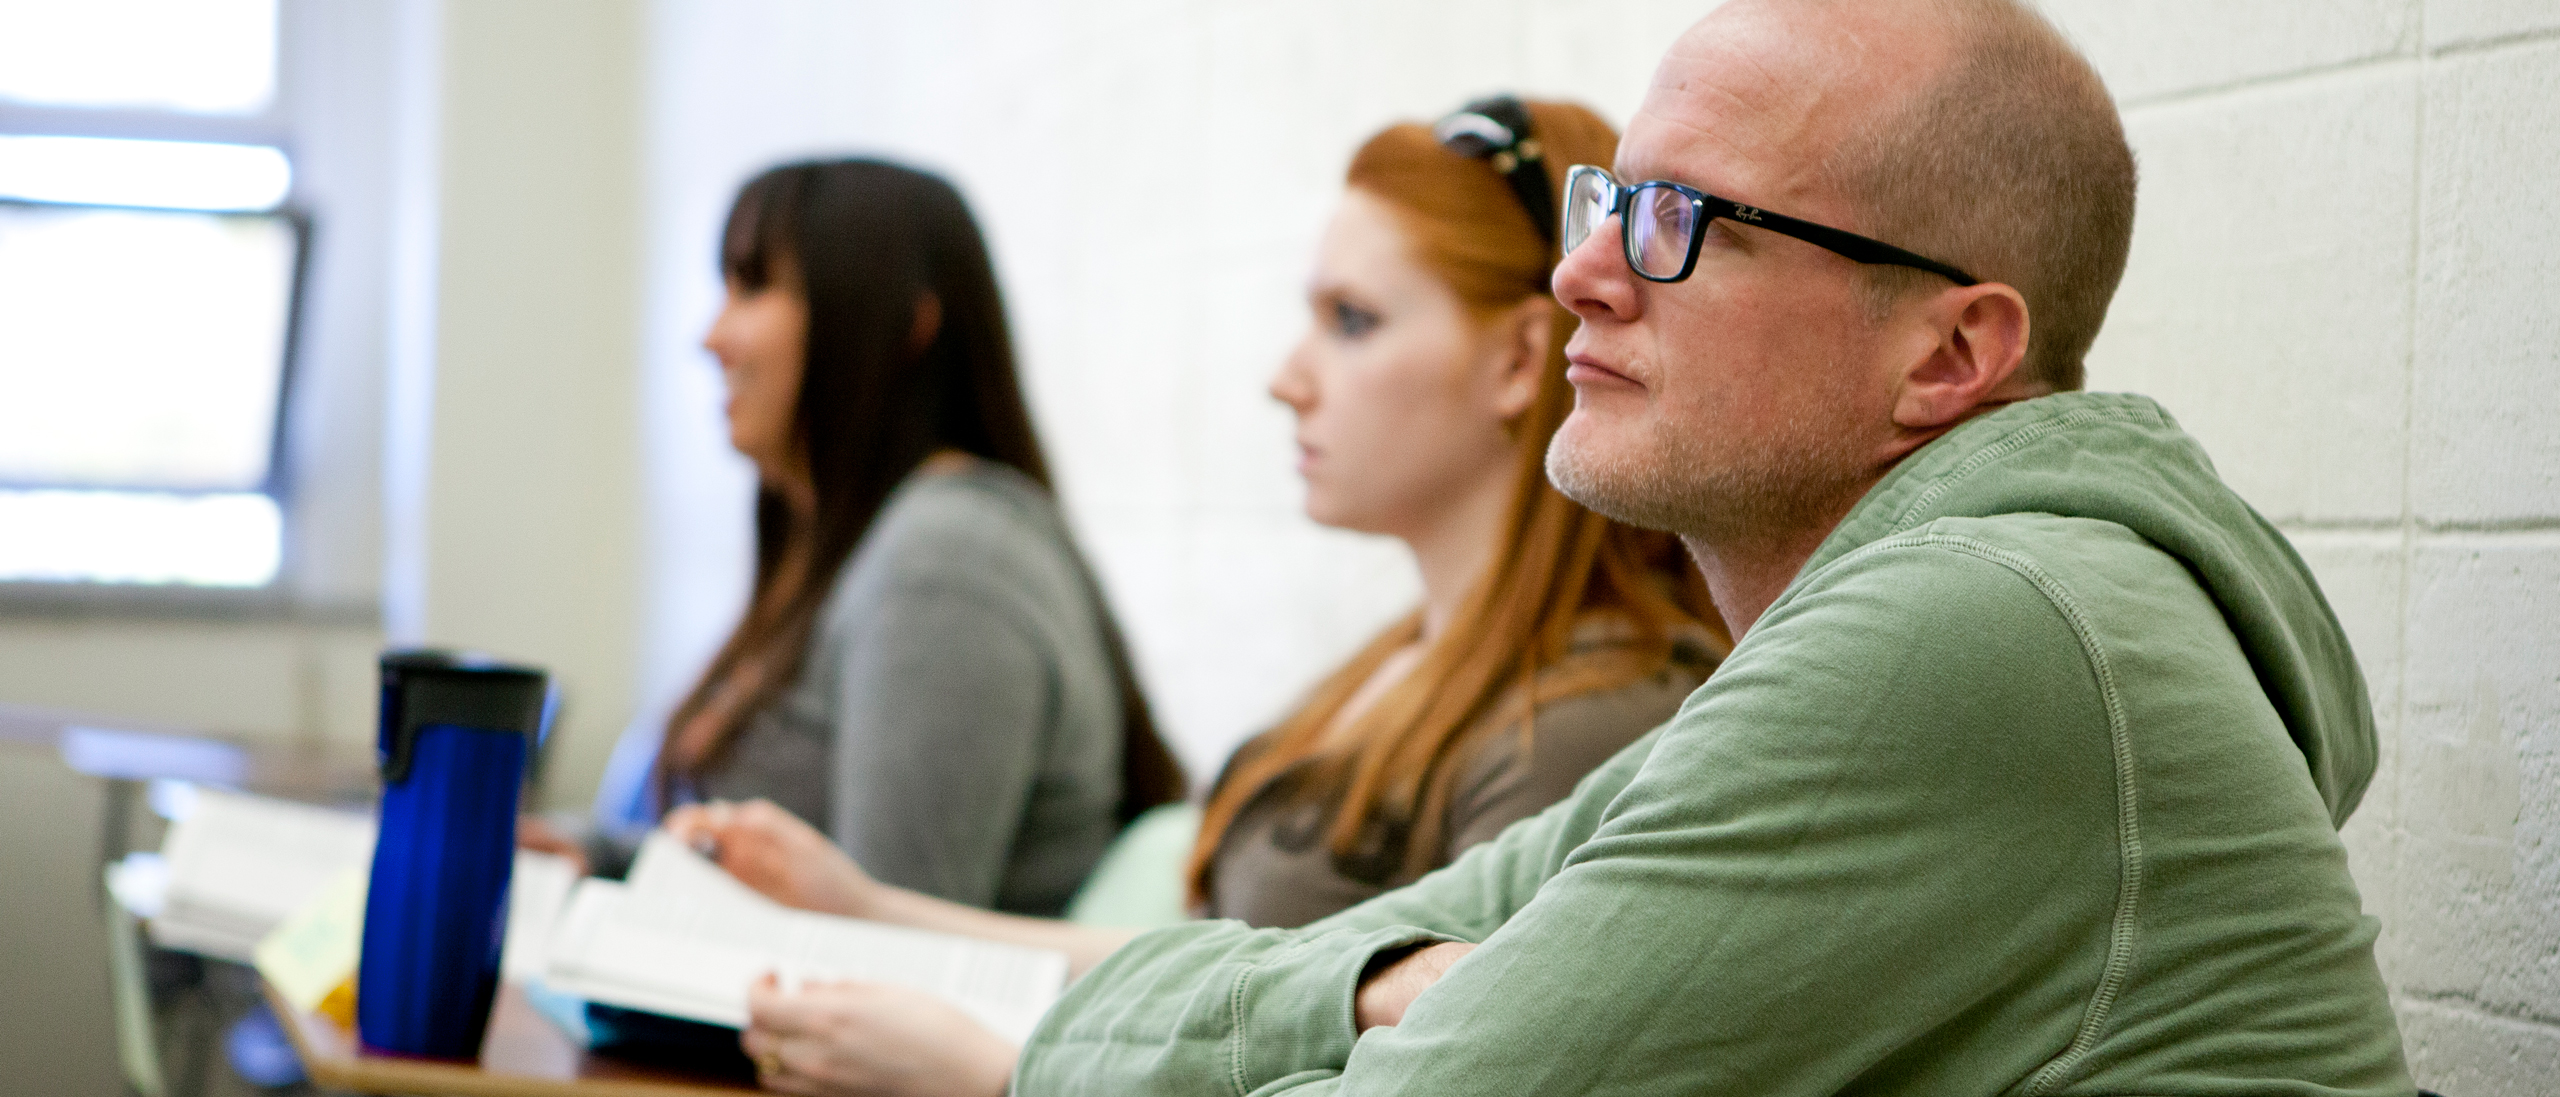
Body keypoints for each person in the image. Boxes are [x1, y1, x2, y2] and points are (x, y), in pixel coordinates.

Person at [1008, 2, 2420, 1095]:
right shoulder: (1869, 635)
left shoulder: (1985, 629)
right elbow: (1347, 979)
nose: (1582, 276)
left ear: (1948, 352)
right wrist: (1381, 985)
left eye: (1687, 219)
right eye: (1610, 200)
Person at [670, 99, 1729, 1096]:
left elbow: (1437, 1057)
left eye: (1352, 320)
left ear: (1517, 360)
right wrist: (873, 910)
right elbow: (1219, 983)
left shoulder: (1584, 717)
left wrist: (1000, 1072)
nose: (1286, 376)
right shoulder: (1389, 667)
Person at [537, 159, 1188, 917]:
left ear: (906, 324)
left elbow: (888, 950)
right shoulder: (846, 546)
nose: (711, 336)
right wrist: (598, 854)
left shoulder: (947, 560)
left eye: (754, 287)